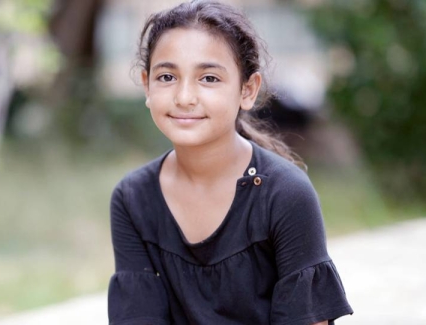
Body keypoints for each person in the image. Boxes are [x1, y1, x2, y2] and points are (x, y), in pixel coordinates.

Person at [107, 1, 353, 324]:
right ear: (146, 85)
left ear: (248, 90)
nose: (184, 97)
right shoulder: (133, 198)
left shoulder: (286, 195)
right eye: (167, 76)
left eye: (208, 78)